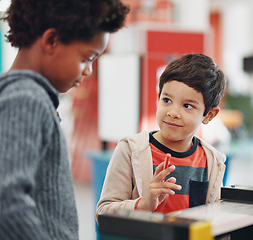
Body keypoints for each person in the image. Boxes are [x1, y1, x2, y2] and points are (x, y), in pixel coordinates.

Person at [0, 0, 129, 239]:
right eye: (87, 57)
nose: (89, 70)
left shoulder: (15, 98)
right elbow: (6, 202)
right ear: (51, 41)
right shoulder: (26, 101)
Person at [96, 53, 227, 222]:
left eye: (187, 106)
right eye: (166, 100)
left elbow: (214, 220)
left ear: (209, 115)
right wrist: (142, 205)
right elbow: (103, 213)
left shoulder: (212, 161)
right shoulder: (131, 149)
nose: (172, 113)